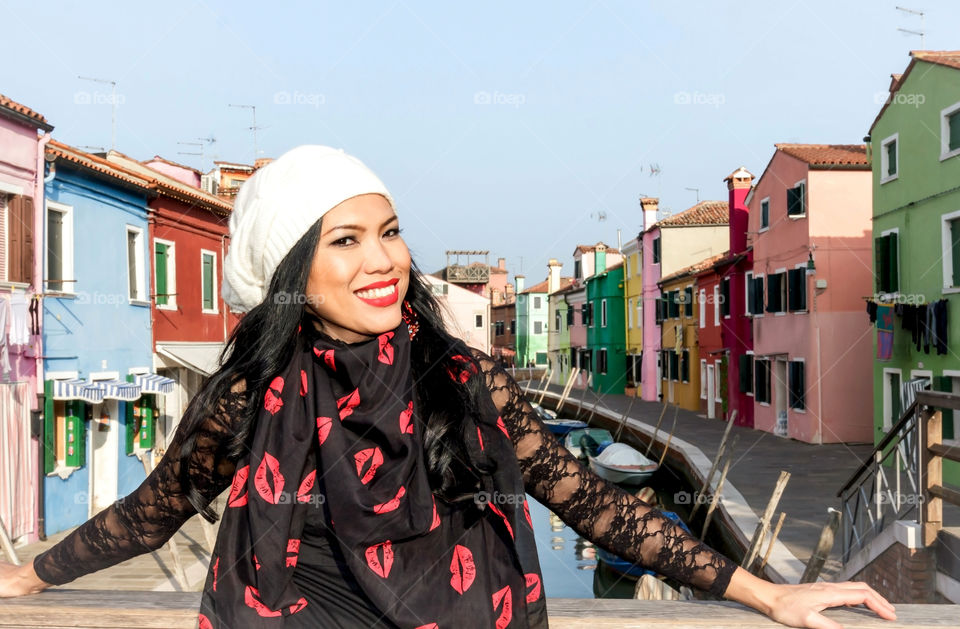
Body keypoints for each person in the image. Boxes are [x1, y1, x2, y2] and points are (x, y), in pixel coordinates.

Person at [0, 146, 896, 629]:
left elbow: (598, 507)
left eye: (387, 231)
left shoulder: (467, 382)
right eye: (343, 241)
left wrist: (768, 593)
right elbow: (154, 507)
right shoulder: (250, 398)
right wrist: (32, 575)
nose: (384, 260)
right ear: (289, 274)